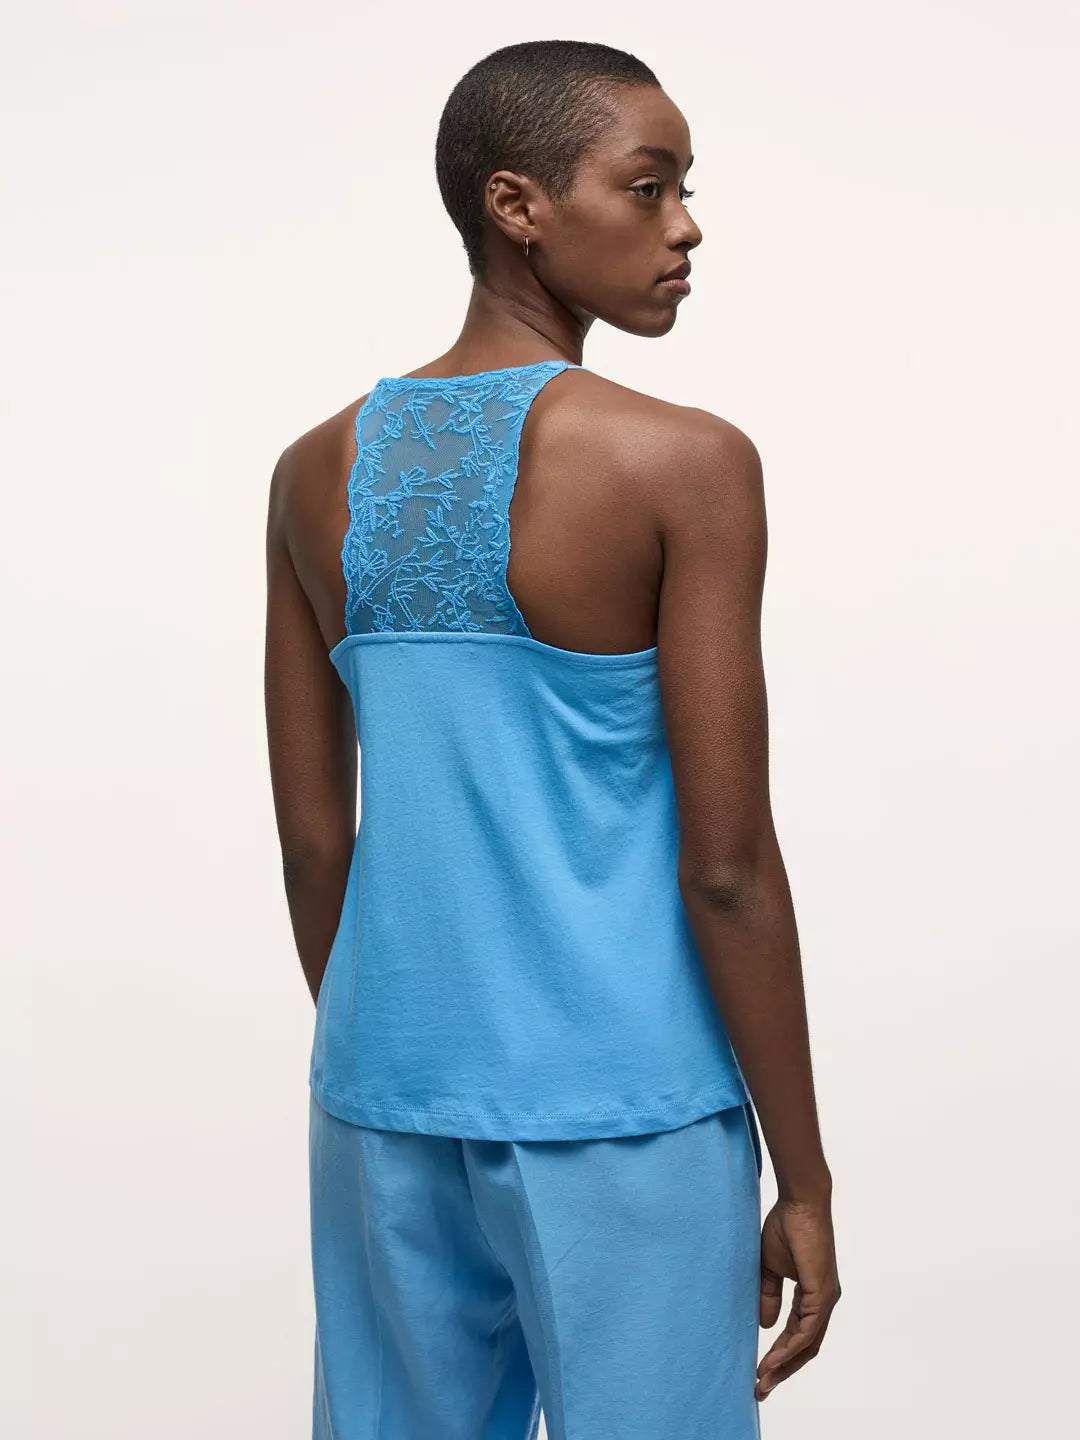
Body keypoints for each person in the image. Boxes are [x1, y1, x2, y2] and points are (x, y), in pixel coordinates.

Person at [264, 38, 839, 1440]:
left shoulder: (312, 471)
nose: (685, 227)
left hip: (382, 1096)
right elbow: (727, 869)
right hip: (623, 1107)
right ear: (516, 204)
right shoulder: (687, 464)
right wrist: (807, 1179)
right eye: (648, 188)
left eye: (685, 191)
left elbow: (314, 839)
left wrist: (407, 1050)